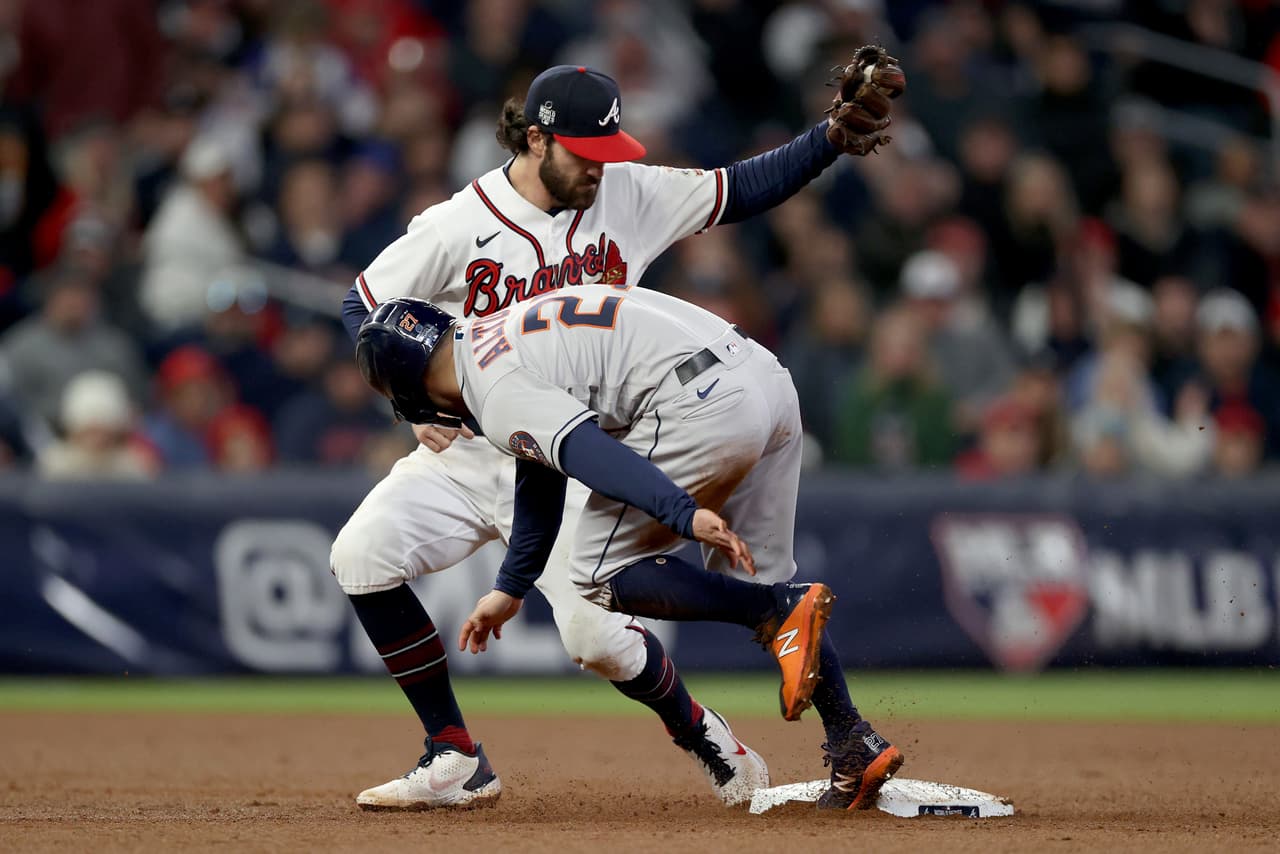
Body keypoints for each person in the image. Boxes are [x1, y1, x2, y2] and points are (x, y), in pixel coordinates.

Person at [332, 60, 904, 811]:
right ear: (535, 140)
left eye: (609, 151)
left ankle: (721, 732)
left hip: (577, 451)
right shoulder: (455, 225)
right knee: (360, 558)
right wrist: (412, 409)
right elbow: (365, 310)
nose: (602, 169)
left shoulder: (625, 190)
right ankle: (453, 752)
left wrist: (827, 139)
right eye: (584, 153)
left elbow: (741, 187)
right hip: (476, 443)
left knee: (597, 639)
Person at [357, 286, 904, 813]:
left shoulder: (492, 390)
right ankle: (852, 740)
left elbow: (589, 452)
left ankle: (776, 613)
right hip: (762, 377)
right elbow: (542, 473)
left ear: (408, 396)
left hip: (702, 404)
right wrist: (511, 588)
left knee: (597, 571)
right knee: (765, 582)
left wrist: (678, 511)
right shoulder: (498, 338)